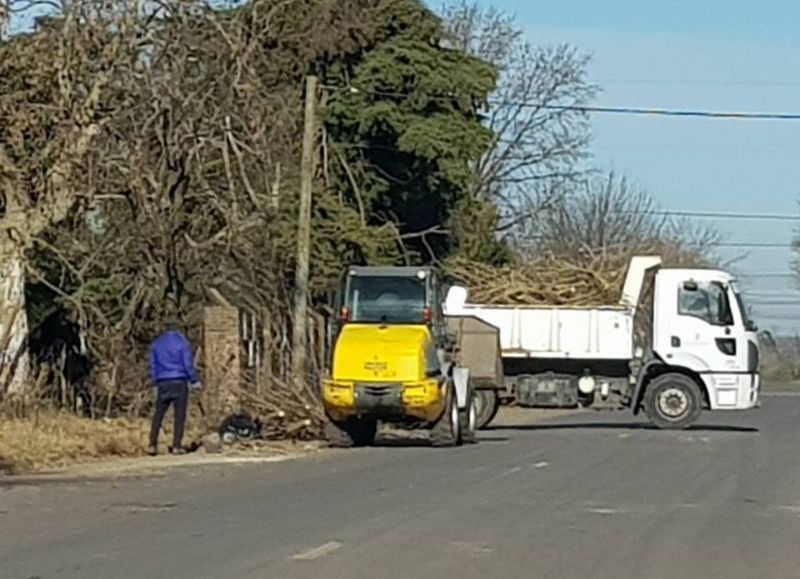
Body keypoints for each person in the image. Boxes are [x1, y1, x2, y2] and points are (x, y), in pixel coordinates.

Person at [148, 317, 200, 456]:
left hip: (163, 381)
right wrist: (193, 380)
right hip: (179, 380)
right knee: (179, 415)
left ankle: (152, 444)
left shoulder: (156, 344)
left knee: (158, 414)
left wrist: (154, 382)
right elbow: (187, 363)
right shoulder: (182, 343)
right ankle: (176, 445)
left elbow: (152, 366)